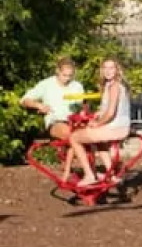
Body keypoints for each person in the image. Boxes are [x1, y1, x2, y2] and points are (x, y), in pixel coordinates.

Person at [62, 58, 132, 186]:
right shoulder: (109, 85)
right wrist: (97, 115)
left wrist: (97, 124)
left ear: (117, 70)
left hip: (116, 127)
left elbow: (111, 113)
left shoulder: (114, 86)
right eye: (105, 68)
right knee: (99, 142)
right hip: (117, 126)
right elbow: (108, 108)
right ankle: (111, 175)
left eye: (111, 68)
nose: (108, 71)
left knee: (74, 137)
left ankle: (89, 175)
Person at [20, 55, 85, 143]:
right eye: (64, 75)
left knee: (90, 135)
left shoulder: (77, 86)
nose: (67, 79)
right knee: (71, 135)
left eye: (70, 76)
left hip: (75, 121)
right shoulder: (46, 84)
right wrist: (39, 106)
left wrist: (82, 113)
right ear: (57, 71)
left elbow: (79, 107)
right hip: (55, 121)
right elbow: (24, 100)